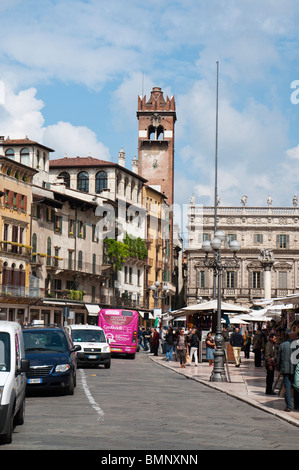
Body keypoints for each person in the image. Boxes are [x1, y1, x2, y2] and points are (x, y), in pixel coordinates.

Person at [276, 330, 299, 412]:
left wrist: (278, 368)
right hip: (295, 369)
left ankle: (289, 406)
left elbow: (278, 358)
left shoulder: (282, 345)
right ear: (294, 337)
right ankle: (296, 405)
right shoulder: (297, 345)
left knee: (287, 387)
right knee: (296, 386)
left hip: (285, 369)